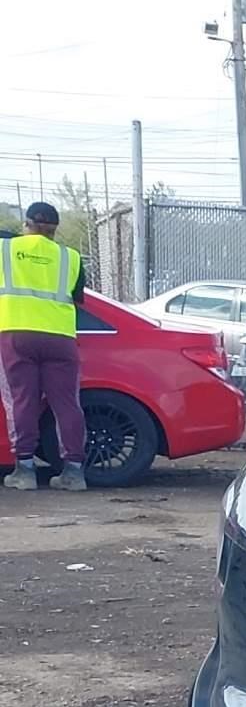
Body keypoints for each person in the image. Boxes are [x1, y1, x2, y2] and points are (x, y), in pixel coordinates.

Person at [1, 202, 90, 492]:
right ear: (55, 229)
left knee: (22, 400)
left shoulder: (5, 250)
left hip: (16, 333)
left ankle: (24, 471)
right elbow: (79, 300)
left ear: (25, 224)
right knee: (67, 403)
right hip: (60, 338)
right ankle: (74, 473)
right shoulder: (71, 257)